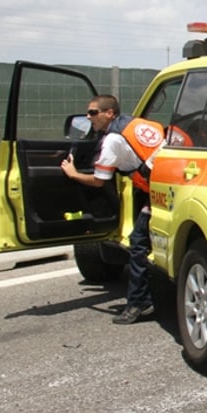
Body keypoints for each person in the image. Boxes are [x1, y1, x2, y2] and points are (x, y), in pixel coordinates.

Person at [61, 95, 165, 325]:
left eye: (93, 113)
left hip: (154, 191)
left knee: (137, 243)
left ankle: (139, 302)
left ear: (109, 113)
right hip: (169, 185)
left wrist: (73, 174)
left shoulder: (112, 141)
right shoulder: (141, 124)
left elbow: (99, 181)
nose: (89, 118)